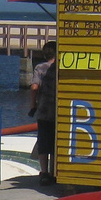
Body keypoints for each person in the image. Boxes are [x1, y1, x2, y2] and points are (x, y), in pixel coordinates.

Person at [28, 40, 58, 185]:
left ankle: (44, 172)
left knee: (43, 141)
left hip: (44, 110)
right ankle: (54, 172)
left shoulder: (40, 68)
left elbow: (34, 88)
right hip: (59, 111)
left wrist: (33, 105)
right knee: (55, 141)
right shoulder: (60, 68)